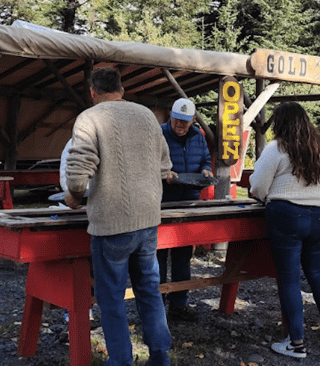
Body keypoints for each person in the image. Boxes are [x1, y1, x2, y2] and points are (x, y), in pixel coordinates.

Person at [64, 67, 173, 366]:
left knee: (112, 299)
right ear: (122, 90)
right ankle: (161, 356)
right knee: (149, 291)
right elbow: (165, 165)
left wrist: (73, 195)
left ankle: (121, 361)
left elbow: (77, 170)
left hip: (111, 223)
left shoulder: (90, 117)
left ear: (93, 91)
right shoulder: (147, 116)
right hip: (148, 220)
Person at [249, 102, 320, 359]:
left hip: (287, 214)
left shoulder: (277, 148)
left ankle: (296, 342)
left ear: (280, 123)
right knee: (316, 272)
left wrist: (266, 195)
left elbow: (258, 185)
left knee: (288, 279)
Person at [157, 98, 213, 321]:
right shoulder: (158, 134)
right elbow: (147, 163)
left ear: (193, 120)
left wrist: (207, 170)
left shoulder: (198, 136)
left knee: (182, 254)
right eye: (177, 120)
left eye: (185, 122)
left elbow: (205, 160)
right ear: (171, 116)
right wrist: (164, 174)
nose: (180, 125)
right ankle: (157, 306)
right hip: (163, 199)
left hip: (190, 200)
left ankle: (179, 304)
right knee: (158, 255)